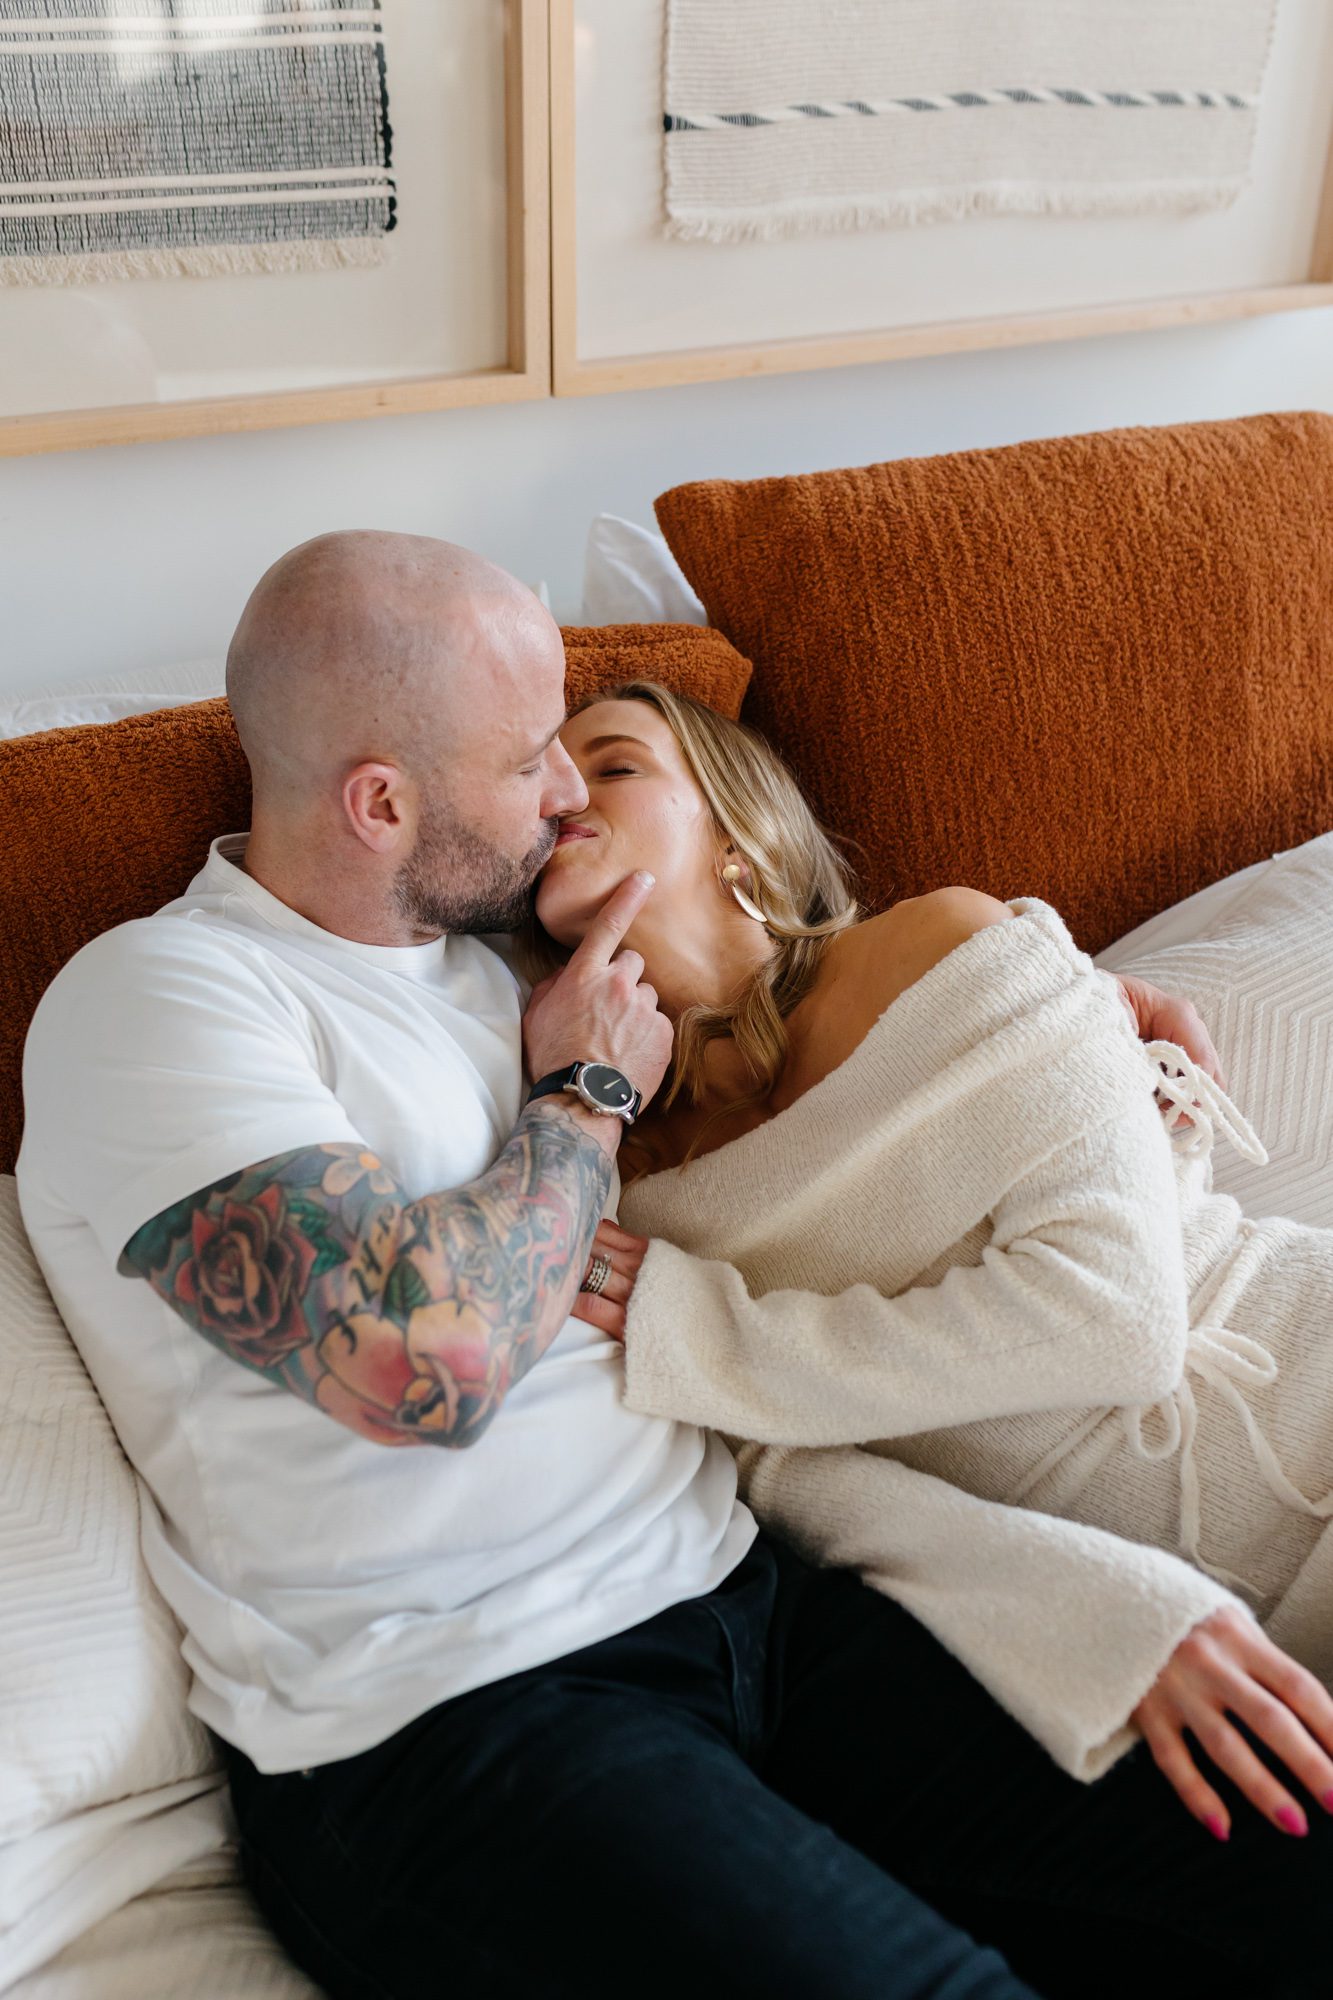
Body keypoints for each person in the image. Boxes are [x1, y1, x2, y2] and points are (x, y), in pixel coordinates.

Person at [11, 535, 1325, 2000]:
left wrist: (1074, 1001)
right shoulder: (164, 998)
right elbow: (421, 1366)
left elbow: (808, 1036)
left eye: (587, 755)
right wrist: (584, 1102)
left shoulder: (504, 972)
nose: (564, 793)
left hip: (754, 1611)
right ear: (381, 803)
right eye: (528, 765)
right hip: (462, 1715)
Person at [533, 679, 1333, 1858]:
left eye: (612, 763)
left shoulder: (938, 941)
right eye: (542, 779)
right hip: (1231, 1613)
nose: (565, 792)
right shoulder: (613, 1178)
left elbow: (1111, 1312)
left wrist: (711, 1337)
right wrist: (1095, 1613)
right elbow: (793, 1478)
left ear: (735, 823)